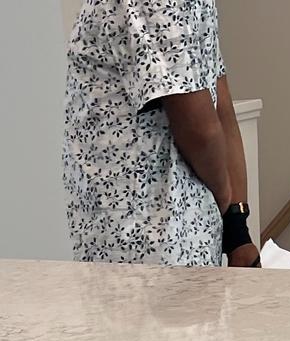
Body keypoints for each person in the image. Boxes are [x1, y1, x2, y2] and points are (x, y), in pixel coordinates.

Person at [64, 0, 259, 269]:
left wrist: (234, 221)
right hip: (159, 238)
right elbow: (210, 112)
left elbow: (203, 123)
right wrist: (233, 219)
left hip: (146, 241)